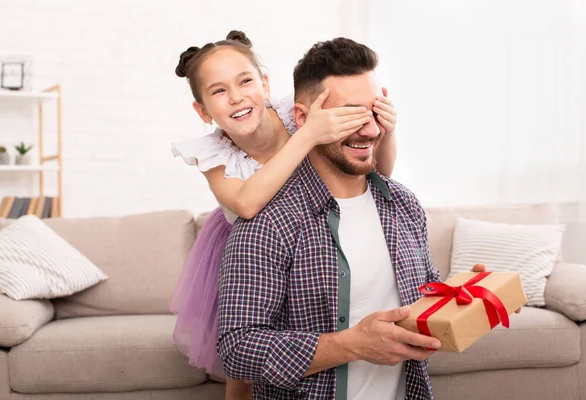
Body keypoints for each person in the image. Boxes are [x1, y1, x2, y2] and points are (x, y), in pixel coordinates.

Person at [217, 37, 493, 400]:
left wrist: (468, 297)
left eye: (374, 112)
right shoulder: (269, 222)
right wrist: (353, 345)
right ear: (303, 118)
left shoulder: (403, 205)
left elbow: (422, 296)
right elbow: (237, 349)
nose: (370, 130)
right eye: (350, 115)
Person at [169, 31, 398, 399]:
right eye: (218, 91)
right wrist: (307, 137)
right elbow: (246, 204)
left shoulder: (295, 111)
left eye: (245, 81)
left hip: (309, 229)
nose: (237, 97)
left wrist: (386, 132)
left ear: (264, 83)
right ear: (202, 111)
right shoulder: (212, 155)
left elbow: (379, 173)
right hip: (247, 242)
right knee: (244, 368)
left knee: (310, 327)